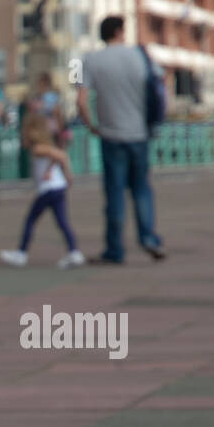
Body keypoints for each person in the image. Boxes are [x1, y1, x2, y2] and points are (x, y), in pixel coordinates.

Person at [77, 15, 168, 262]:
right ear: (119, 31)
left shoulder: (91, 60)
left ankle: (115, 249)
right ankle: (149, 238)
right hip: (139, 133)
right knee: (141, 189)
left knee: (115, 193)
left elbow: (81, 101)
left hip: (110, 135)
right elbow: (161, 83)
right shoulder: (140, 55)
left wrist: (92, 127)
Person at [0, 111, 84, 269]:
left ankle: (21, 253)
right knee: (62, 222)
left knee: (31, 220)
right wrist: (51, 169)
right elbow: (56, 156)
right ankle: (74, 252)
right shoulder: (44, 145)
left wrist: (68, 175)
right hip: (57, 188)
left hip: (49, 189)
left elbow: (61, 156)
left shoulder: (39, 148)